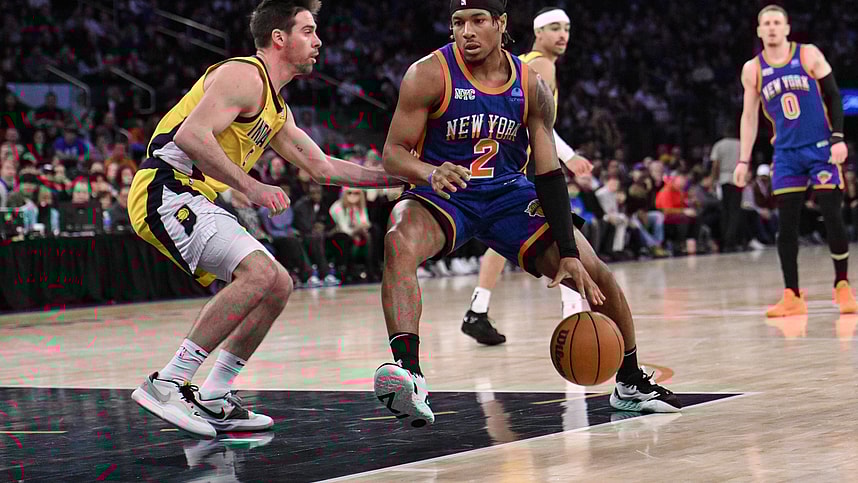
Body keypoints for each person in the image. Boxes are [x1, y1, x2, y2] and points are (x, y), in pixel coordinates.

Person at [374, 0, 681, 428]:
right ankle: (410, 374)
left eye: (478, 21)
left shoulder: (530, 83)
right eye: (458, 23)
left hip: (508, 196)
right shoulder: (428, 73)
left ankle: (630, 380)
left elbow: (549, 172)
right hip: (447, 190)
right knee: (398, 240)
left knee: (593, 268)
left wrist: (569, 250)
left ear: (501, 24)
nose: (467, 32)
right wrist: (428, 171)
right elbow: (392, 154)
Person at [127, 0, 404, 439]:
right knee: (258, 273)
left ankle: (216, 394)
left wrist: (406, 177)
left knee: (279, 283)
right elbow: (190, 136)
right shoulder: (243, 74)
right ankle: (166, 383)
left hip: (194, 194)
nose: (318, 42)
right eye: (309, 31)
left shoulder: (275, 107)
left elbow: (324, 169)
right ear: (280, 38)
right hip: (165, 188)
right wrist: (252, 186)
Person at [462, 7, 594, 346]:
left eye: (566, 27)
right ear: (538, 33)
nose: (562, 34)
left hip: (509, 160)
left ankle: (478, 308)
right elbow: (542, 126)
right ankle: (574, 315)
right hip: (523, 163)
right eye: (554, 28)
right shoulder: (541, 65)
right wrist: (569, 155)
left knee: (504, 237)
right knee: (561, 234)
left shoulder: (525, 63)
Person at [734, 5, 855, 317]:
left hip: (819, 148)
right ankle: (792, 294)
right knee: (786, 225)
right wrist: (743, 161)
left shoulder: (808, 54)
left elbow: (833, 95)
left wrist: (838, 138)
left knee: (832, 214)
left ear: (787, 28)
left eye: (777, 22)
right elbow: (749, 116)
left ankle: (842, 285)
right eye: (766, 23)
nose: (772, 28)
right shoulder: (753, 69)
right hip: (786, 154)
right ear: (759, 31)